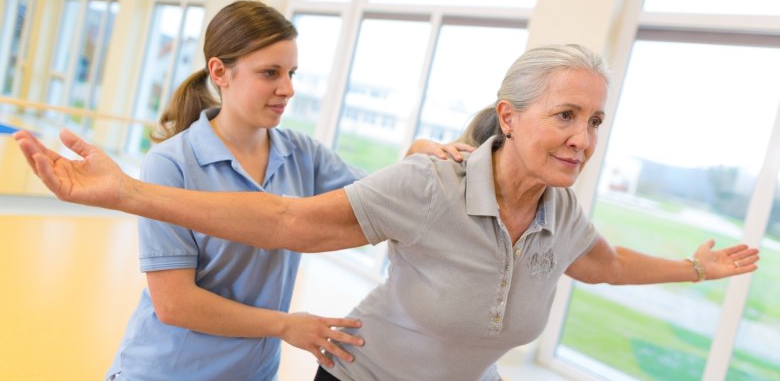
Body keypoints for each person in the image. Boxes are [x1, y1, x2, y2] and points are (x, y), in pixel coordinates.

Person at [15, 44, 760, 381]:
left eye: (595, 122)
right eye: (566, 114)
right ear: (510, 114)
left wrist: (697, 268)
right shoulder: (430, 185)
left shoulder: (560, 214)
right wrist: (128, 193)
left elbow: (607, 264)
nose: (582, 137)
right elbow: (285, 222)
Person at [47, 0, 472, 381]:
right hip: (169, 370)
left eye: (291, 73)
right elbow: (175, 304)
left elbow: (381, 203)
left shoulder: (303, 154)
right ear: (220, 72)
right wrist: (285, 324)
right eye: (270, 73)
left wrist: (417, 157)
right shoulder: (172, 164)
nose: (287, 88)